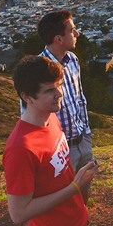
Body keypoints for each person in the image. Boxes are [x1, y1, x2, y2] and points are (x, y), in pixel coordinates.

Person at [4, 55, 98, 226]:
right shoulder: (20, 148)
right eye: (49, 91)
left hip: (76, 220)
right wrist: (75, 186)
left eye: (59, 85)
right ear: (27, 97)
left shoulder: (51, 117)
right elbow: (18, 214)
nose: (59, 94)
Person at [36, 10, 94, 178]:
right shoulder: (38, 69)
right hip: (58, 148)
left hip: (81, 141)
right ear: (58, 39)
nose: (77, 33)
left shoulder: (72, 60)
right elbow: (30, 114)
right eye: (72, 30)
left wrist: (86, 133)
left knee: (83, 190)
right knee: (63, 195)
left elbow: (80, 99)